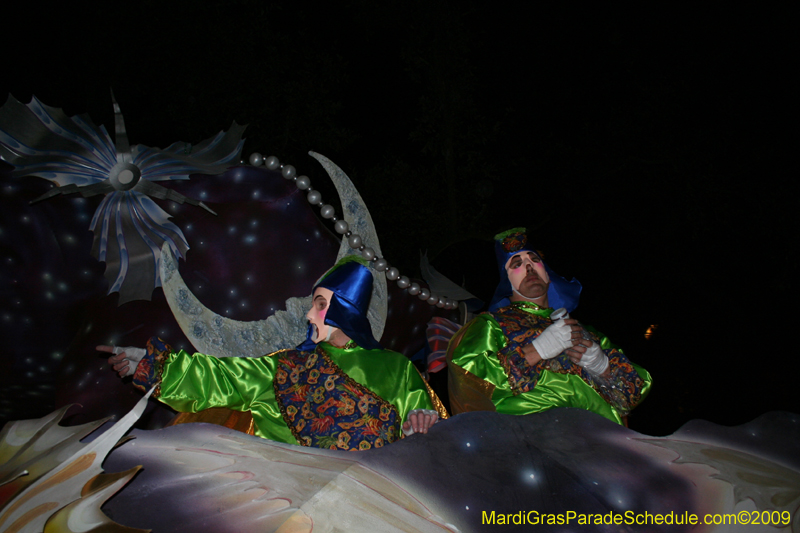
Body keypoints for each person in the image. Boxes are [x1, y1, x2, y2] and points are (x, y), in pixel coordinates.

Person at [99, 256, 446, 450]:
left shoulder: (396, 368)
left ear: (346, 311)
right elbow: (220, 379)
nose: (310, 315)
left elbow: (429, 427)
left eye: (320, 305)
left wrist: (423, 421)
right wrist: (152, 365)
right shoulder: (287, 369)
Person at [447, 228, 651, 424]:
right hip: (530, 439)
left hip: (599, 440)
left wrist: (602, 366)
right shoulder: (491, 324)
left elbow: (638, 390)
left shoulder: (584, 331)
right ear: (506, 280)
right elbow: (468, 376)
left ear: (547, 273)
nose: (529, 267)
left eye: (535, 260)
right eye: (516, 264)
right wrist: (536, 350)